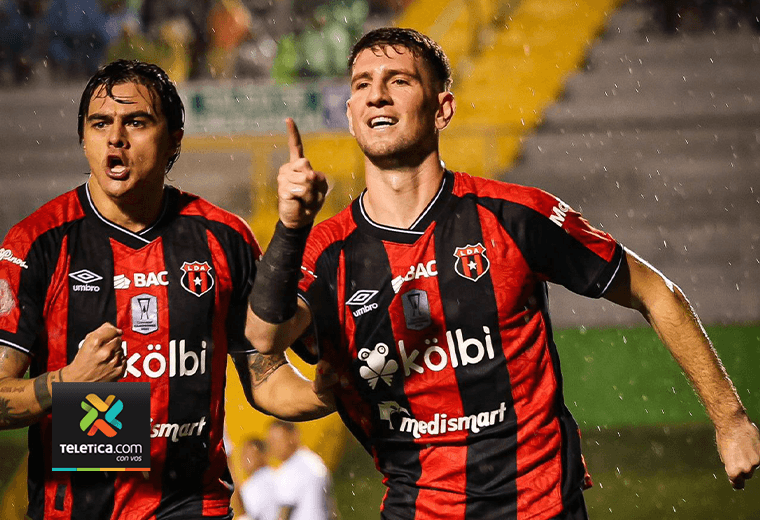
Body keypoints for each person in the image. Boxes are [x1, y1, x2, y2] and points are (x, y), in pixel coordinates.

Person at [247, 27, 760, 519]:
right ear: (350, 113)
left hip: (541, 507)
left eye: (398, 80)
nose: (376, 95)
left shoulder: (514, 216)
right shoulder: (323, 251)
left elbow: (654, 291)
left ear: (442, 108)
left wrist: (730, 419)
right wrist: (290, 228)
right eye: (362, 85)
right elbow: (264, 339)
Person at [0, 59, 333, 520]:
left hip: (192, 506)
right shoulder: (37, 243)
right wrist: (68, 383)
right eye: (100, 123)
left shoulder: (223, 239)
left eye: (136, 122)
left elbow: (265, 376)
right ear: (83, 138)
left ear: (174, 138)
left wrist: (324, 393)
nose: (116, 138)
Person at [266, 420, 337, 520]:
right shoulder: (314, 461)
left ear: (292, 437)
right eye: (270, 442)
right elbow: (332, 509)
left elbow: (284, 512)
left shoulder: (290, 469)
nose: (272, 446)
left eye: (276, 441)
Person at [238, 437, 278, 520]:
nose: (245, 459)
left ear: (262, 455)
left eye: (249, 455)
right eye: (244, 454)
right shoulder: (277, 475)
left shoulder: (253, 485)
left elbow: (246, 517)